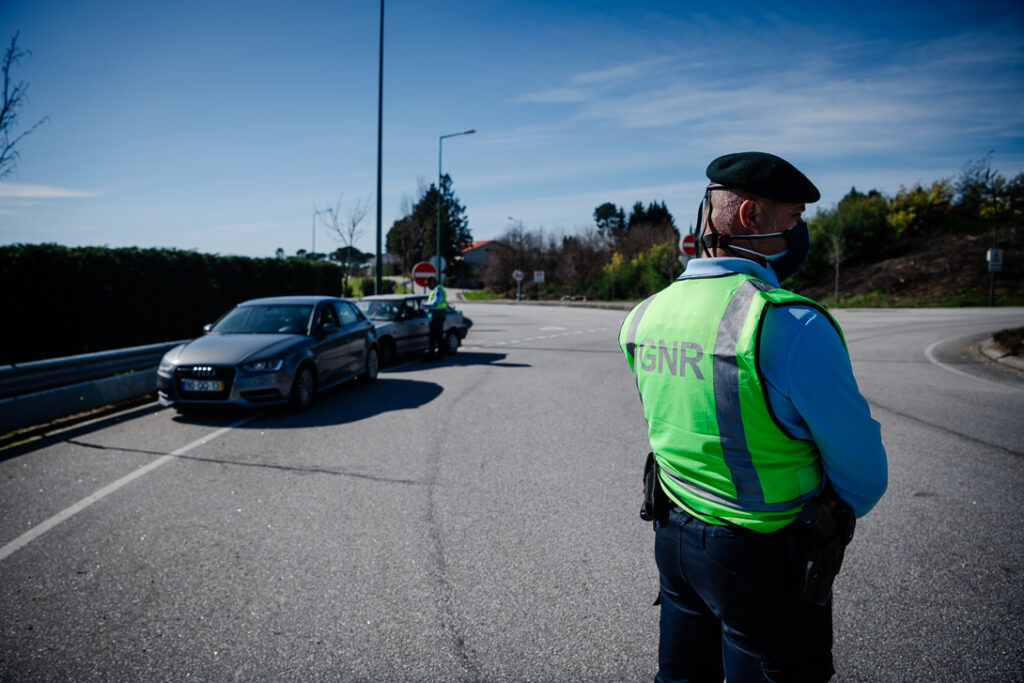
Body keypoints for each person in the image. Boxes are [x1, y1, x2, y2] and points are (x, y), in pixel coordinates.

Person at [619, 151, 887, 682]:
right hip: (761, 556)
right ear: (750, 218)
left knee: (681, 677)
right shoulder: (790, 324)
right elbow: (864, 476)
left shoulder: (645, 313)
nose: (800, 232)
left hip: (673, 537)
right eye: (795, 218)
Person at [423, 275, 448, 361]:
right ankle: (438, 355)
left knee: (434, 337)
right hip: (437, 315)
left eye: (429, 285)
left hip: (438, 315)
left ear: (432, 282)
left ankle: (434, 356)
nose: (428, 287)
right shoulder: (437, 289)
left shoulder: (438, 289)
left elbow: (436, 302)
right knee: (437, 336)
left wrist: (426, 304)